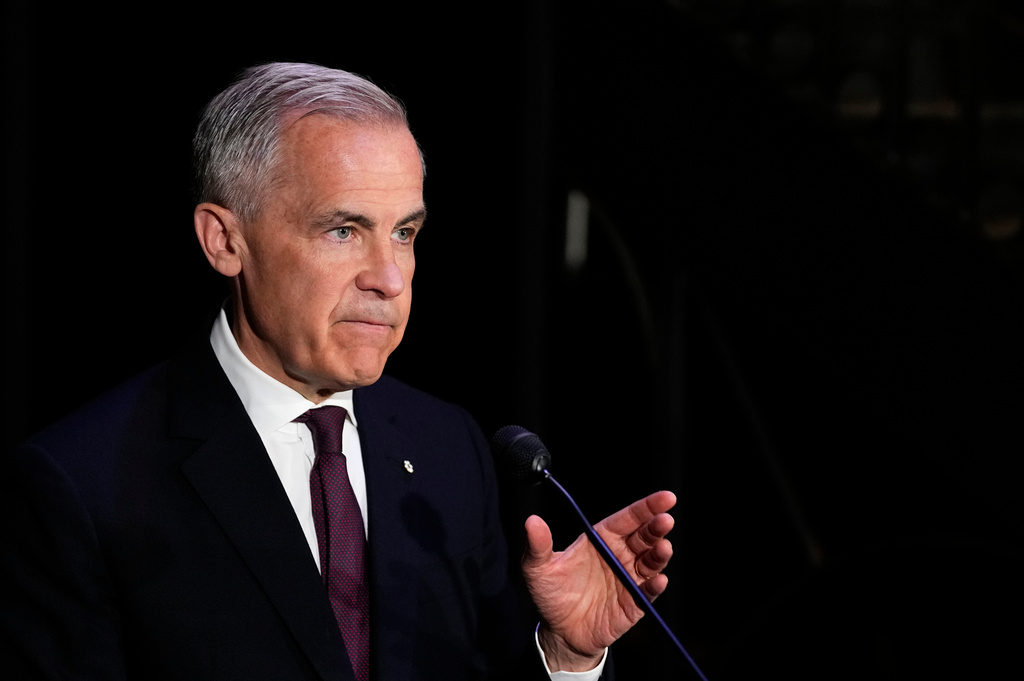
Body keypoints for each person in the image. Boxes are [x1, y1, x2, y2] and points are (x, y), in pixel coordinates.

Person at [0, 62, 676, 680]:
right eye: (343, 230)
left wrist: (565, 656)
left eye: (405, 233)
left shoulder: (447, 447)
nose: (388, 277)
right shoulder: (80, 486)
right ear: (225, 240)